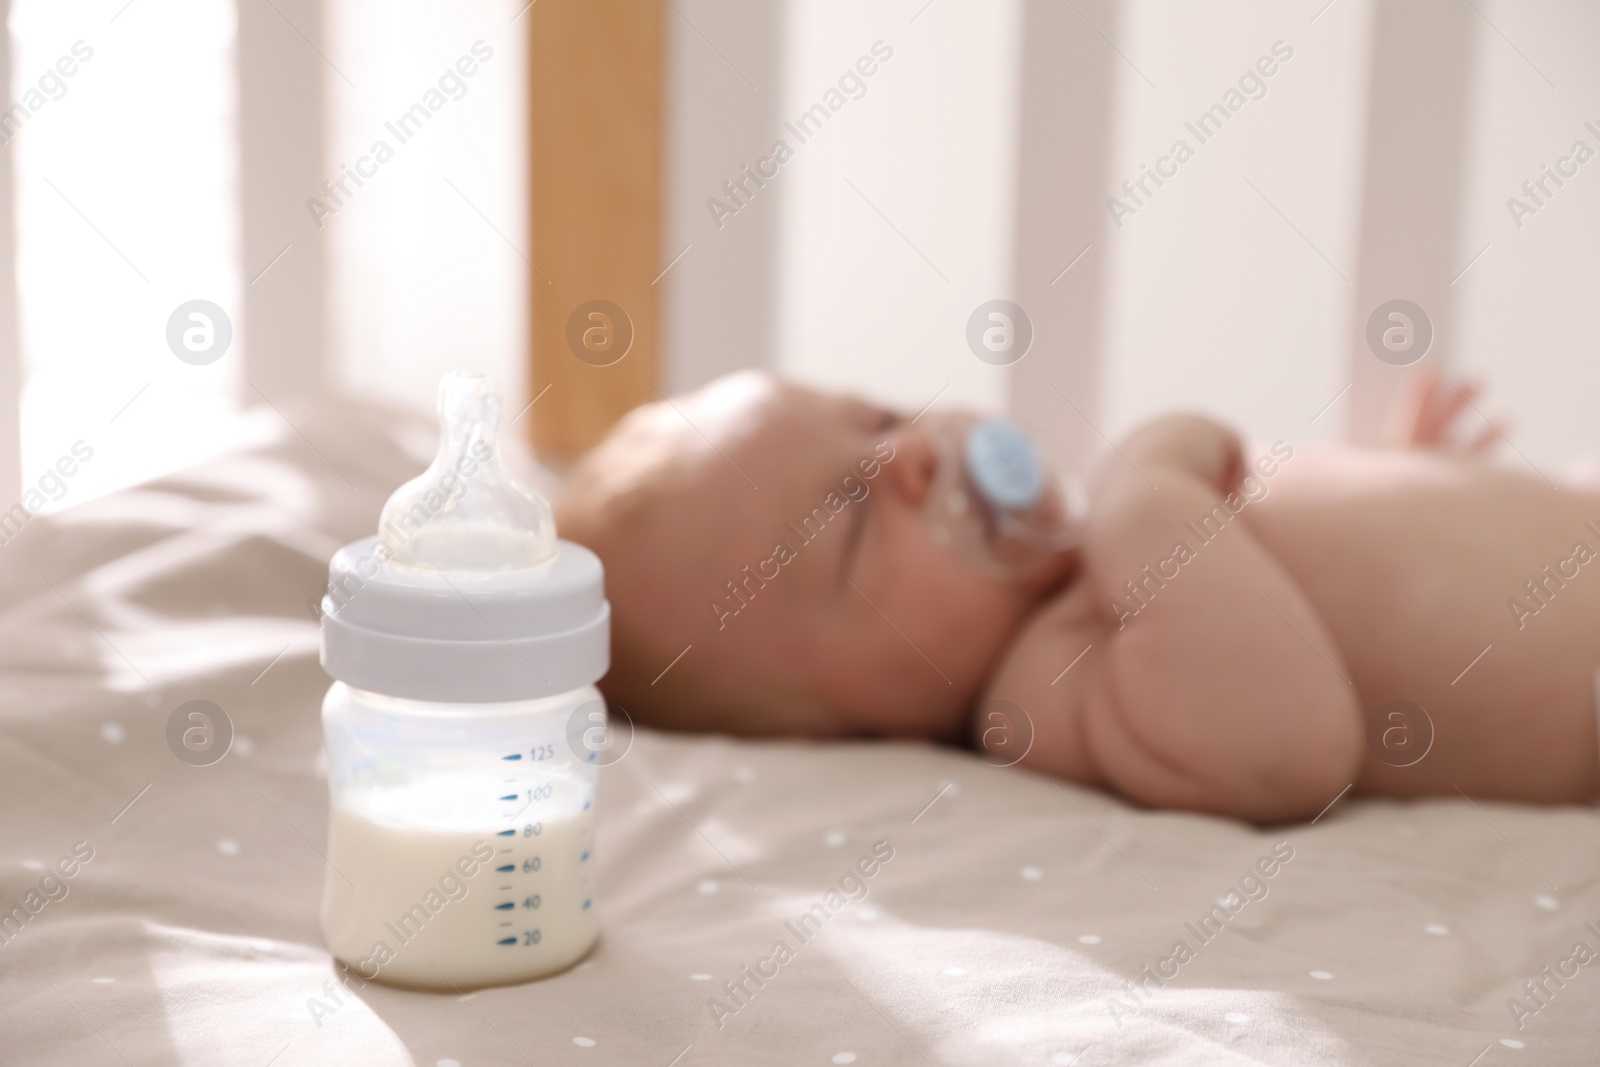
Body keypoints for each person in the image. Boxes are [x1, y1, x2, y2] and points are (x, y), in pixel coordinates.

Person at [555, 371, 1600, 822]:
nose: (910, 452)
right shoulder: (1044, 685)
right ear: (827, 732)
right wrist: (1150, 485)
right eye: (854, 517)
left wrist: (1414, 478)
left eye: (876, 416)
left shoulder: (1098, 563)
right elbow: (1288, 742)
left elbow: (1320, 586)